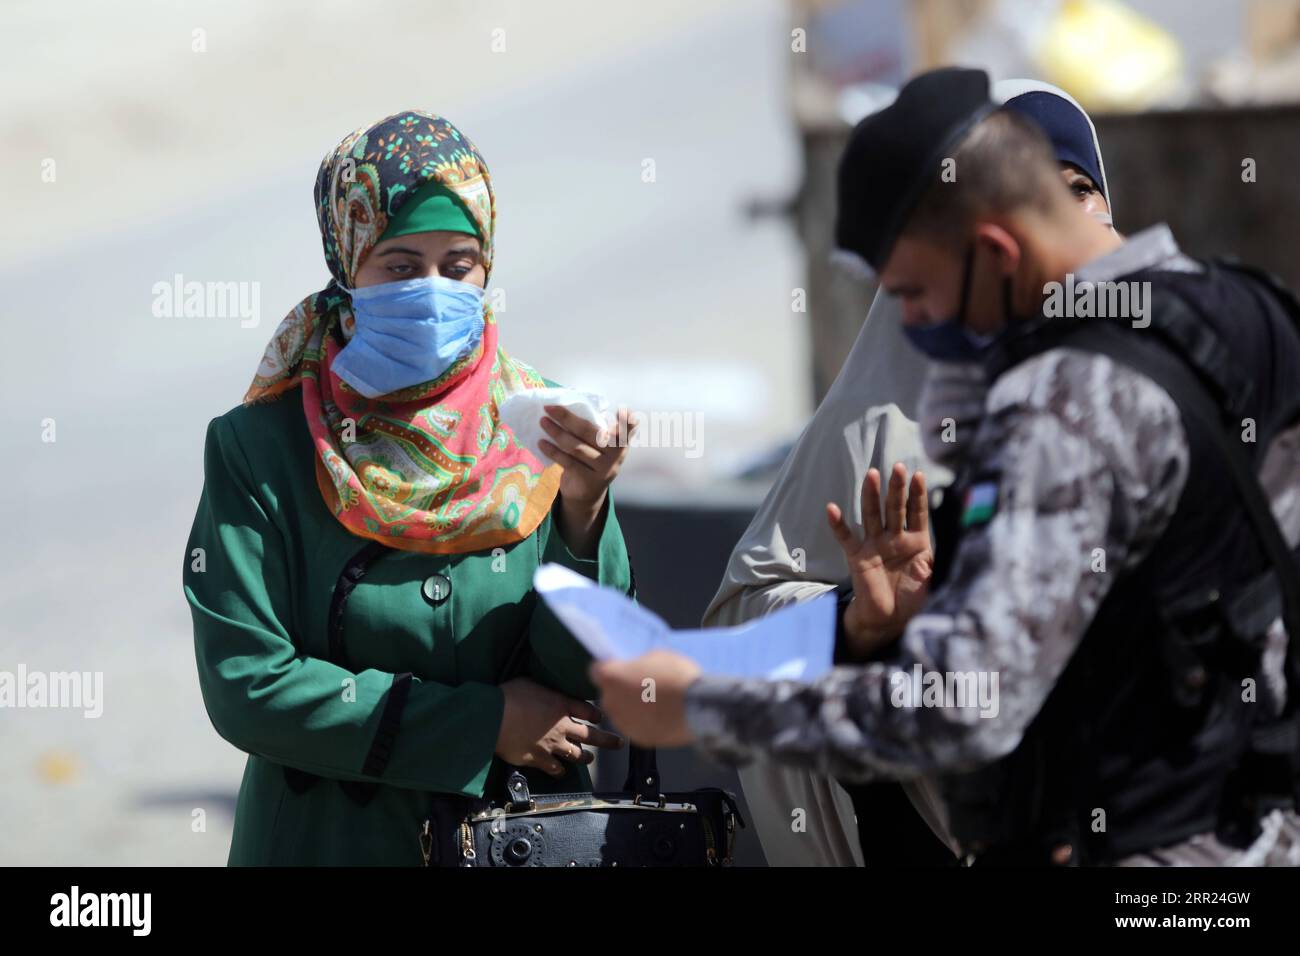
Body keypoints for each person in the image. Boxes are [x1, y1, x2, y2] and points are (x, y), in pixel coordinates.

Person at [594, 68, 1300, 866]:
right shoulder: (1257, 312)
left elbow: (969, 703)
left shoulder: (1057, 404)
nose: (916, 327)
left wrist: (703, 702)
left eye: (918, 295)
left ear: (997, 250)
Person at [183, 110, 635, 865]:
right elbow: (247, 684)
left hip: (514, 840)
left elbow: (586, 677)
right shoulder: (261, 446)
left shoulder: (545, 428)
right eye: (399, 266)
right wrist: (481, 722)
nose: (431, 291)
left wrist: (585, 512)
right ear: (347, 262)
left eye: (458, 265)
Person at [702, 79, 1118, 868]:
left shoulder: (1172, 372)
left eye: (1081, 190)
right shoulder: (881, 423)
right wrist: (859, 622)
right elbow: (737, 628)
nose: (1064, 221)